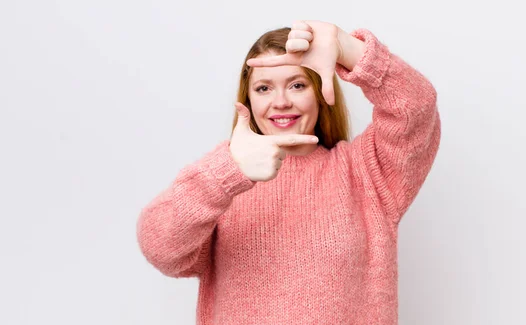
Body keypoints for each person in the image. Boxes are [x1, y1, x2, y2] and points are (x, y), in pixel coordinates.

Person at [136, 20, 441, 325]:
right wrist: (228, 170)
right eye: (264, 88)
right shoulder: (223, 184)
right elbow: (160, 246)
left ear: (320, 90)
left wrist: (348, 49)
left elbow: (417, 107)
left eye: (297, 84)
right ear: (249, 99)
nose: (281, 102)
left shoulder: (367, 173)